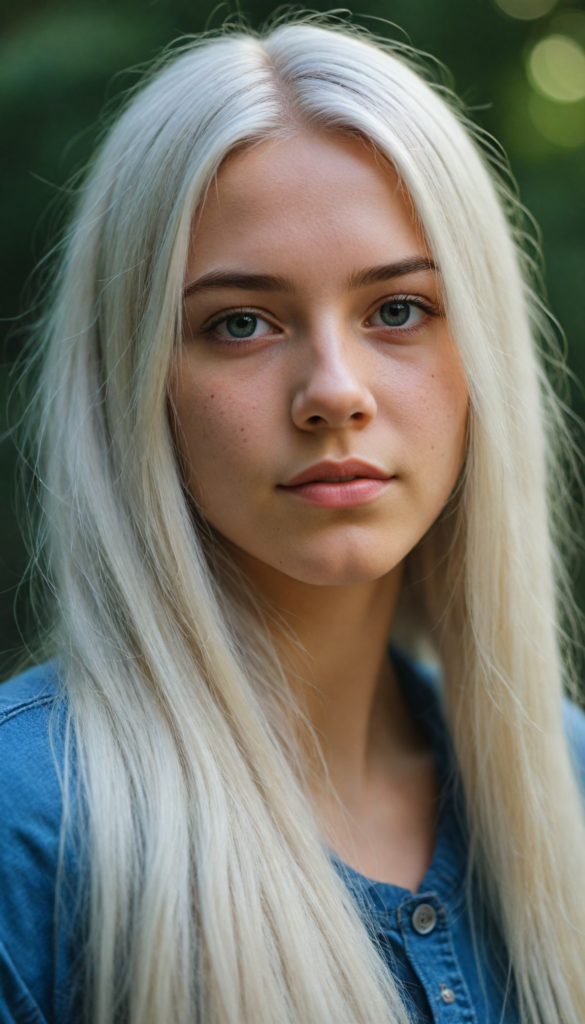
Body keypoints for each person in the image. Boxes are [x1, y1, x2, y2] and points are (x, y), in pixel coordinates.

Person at [1, 17, 585, 1024]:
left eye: (397, 309)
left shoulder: (567, 779)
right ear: (133, 381)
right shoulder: (29, 825)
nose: (333, 392)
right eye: (241, 322)